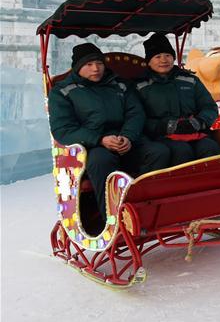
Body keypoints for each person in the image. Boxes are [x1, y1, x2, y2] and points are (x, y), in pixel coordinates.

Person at [48, 43, 169, 214]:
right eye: (89, 65)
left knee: (159, 152)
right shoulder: (62, 92)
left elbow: (135, 113)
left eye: (99, 64)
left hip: (127, 140)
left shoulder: (120, 84)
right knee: (101, 161)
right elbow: (63, 129)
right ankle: (111, 217)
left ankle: (146, 207)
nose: (96, 69)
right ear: (78, 67)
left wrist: (128, 136)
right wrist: (100, 139)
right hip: (93, 145)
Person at [135, 33, 220, 166]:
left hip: (194, 132)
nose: (164, 60)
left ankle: (209, 185)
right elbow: (137, 116)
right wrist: (164, 126)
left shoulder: (189, 80)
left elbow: (209, 106)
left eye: (168, 56)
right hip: (160, 136)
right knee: (182, 151)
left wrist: (199, 122)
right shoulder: (140, 86)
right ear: (149, 61)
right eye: (158, 57)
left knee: (210, 148)